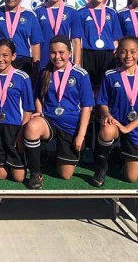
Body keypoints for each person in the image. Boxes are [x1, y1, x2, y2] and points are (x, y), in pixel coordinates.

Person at [25, 36, 94, 189]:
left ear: (70, 53)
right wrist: (39, 111)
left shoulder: (80, 74)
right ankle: (35, 174)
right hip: (49, 120)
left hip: (70, 125)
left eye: (61, 52)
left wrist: (81, 136)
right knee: (32, 126)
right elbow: (37, 96)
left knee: (65, 175)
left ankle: (55, 157)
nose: (57, 57)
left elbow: (87, 107)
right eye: (53, 53)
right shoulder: (45, 72)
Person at [90, 36, 138, 187]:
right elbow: (102, 101)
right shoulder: (110, 75)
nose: (128, 56)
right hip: (114, 122)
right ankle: (101, 167)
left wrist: (128, 128)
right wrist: (107, 114)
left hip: (134, 127)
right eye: (124, 52)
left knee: (131, 178)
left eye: (133, 52)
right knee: (107, 131)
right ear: (118, 53)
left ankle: (119, 158)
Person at [0, 39, 34, 183]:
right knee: (1, 176)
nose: (0, 59)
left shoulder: (22, 77)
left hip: (14, 128)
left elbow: (28, 108)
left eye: (5, 55)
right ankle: (3, 160)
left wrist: (22, 132)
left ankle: (21, 163)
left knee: (18, 178)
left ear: (13, 56)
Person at [77, 0, 122, 91]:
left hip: (107, 54)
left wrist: (115, 56)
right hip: (88, 54)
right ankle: (90, 109)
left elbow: (116, 38)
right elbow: (77, 39)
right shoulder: (81, 12)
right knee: (88, 87)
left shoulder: (112, 13)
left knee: (106, 87)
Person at [35, 0, 83, 69]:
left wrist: (77, 64)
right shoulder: (38, 12)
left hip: (64, 61)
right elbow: (35, 42)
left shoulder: (72, 12)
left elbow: (76, 41)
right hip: (44, 60)